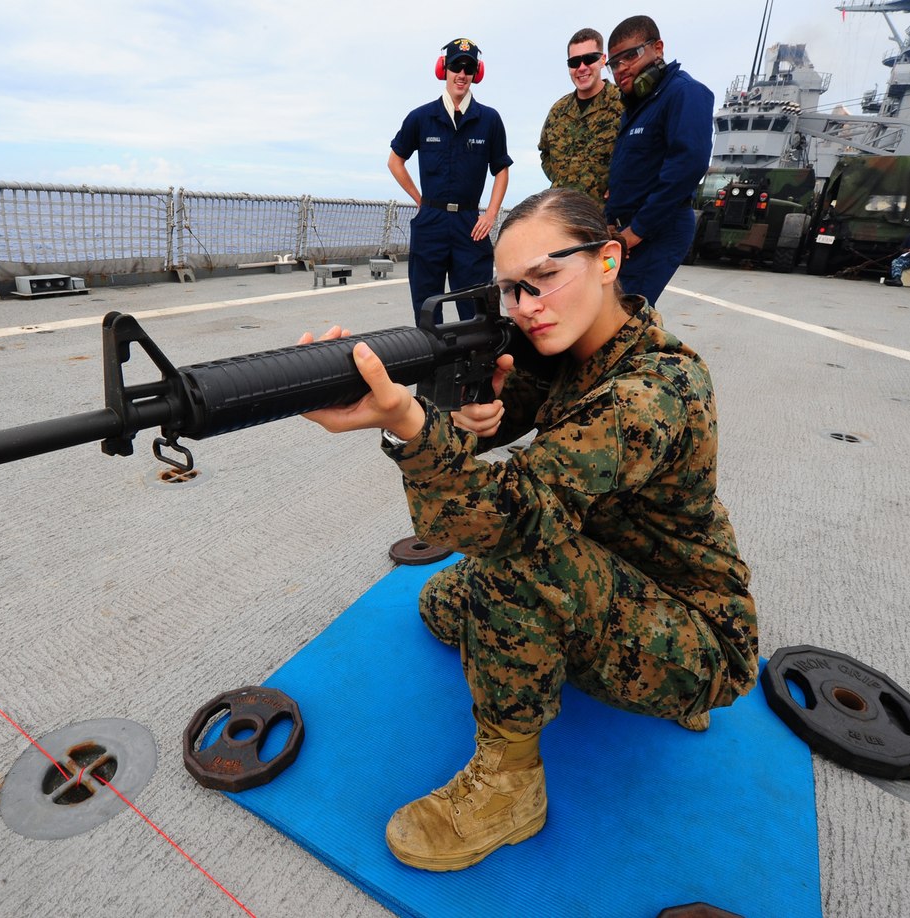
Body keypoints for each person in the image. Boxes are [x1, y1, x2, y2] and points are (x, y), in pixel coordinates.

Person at [302, 188, 759, 872]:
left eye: (544, 279)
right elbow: (498, 417)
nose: (526, 307)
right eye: (512, 290)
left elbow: (504, 517)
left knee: (511, 564)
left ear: (608, 261)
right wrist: (451, 402)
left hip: (698, 632)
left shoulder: (653, 391)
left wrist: (408, 426)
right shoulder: (574, 351)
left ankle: (512, 785)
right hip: (612, 567)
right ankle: (574, 645)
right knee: (442, 608)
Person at [389, 38, 512, 324]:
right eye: (456, 66)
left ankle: (476, 366)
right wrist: (420, 200)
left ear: (476, 74)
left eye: (468, 68)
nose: (462, 74)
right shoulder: (421, 118)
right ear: (443, 69)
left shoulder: (489, 120)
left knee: (477, 307)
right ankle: (433, 367)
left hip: (470, 225)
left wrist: (491, 214)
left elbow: (502, 170)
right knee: (426, 307)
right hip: (430, 222)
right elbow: (395, 161)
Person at [604, 15, 713, 304]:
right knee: (608, 309)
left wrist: (636, 231)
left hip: (655, 230)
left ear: (658, 48)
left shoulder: (684, 93)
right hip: (626, 232)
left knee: (625, 314)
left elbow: (687, 167)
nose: (621, 68)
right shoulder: (639, 105)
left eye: (631, 55)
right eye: (614, 63)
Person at [538, 27, 623, 204]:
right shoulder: (558, 111)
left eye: (589, 59)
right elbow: (545, 152)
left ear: (602, 60)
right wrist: (564, 180)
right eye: (574, 62)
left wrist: (621, 183)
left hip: (606, 219)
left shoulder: (624, 104)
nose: (582, 68)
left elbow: (643, 152)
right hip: (564, 215)